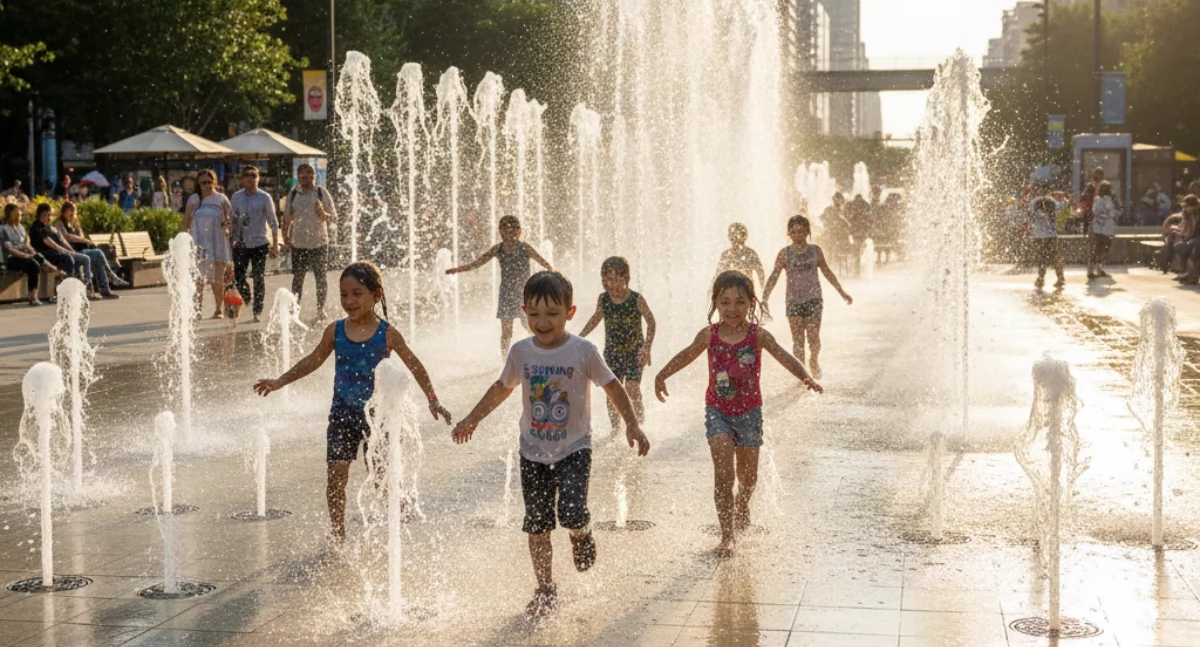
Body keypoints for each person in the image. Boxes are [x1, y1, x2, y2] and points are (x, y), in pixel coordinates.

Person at [451, 270, 650, 619]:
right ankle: (545, 588)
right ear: (525, 311)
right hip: (532, 452)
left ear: (570, 313)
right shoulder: (521, 352)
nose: (543, 322)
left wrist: (632, 424)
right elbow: (501, 388)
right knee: (538, 523)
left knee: (572, 512)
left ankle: (581, 534)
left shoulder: (583, 350)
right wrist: (472, 418)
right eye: (535, 314)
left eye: (552, 314)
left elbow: (613, 386)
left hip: (575, 448)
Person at [255, 261, 452, 543]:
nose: (349, 301)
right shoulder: (334, 331)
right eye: (344, 294)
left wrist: (433, 400)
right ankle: (338, 534)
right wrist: (279, 381)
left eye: (357, 293)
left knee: (379, 474)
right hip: (342, 414)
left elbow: (415, 366)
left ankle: (399, 508)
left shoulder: (387, 334)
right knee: (336, 476)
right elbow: (312, 360)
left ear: (376, 294)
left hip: (376, 416)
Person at [654, 270, 822, 557]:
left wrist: (805, 376)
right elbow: (687, 353)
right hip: (718, 411)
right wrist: (662, 374)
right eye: (725, 302)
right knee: (723, 474)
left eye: (740, 302)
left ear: (751, 304)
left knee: (748, 477)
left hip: (749, 413)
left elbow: (784, 355)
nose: (732, 309)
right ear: (716, 304)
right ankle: (726, 535)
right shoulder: (710, 335)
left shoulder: (758, 336)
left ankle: (743, 502)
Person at [445, 215, 552, 357]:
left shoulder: (525, 248)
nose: (508, 234)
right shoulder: (498, 249)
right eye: (505, 230)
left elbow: (543, 262)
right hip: (507, 293)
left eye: (512, 230)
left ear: (518, 231)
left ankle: (546, 350)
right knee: (506, 331)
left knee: (529, 325)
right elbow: (478, 263)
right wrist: (457, 269)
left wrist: (552, 275)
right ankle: (505, 360)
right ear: (500, 231)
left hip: (524, 293)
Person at [761, 215, 852, 380]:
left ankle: (814, 360)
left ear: (807, 232)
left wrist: (842, 292)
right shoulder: (784, 254)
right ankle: (802, 373)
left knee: (813, 335)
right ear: (789, 233)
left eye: (801, 231)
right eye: (794, 231)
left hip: (814, 299)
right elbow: (774, 276)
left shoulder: (815, 251)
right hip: (793, 301)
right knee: (798, 341)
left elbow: (827, 272)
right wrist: (765, 298)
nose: (798, 234)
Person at [578, 256, 657, 434]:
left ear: (625, 278)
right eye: (604, 279)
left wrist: (647, 347)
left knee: (632, 388)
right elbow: (595, 319)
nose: (608, 284)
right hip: (612, 354)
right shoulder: (604, 299)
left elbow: (651, 322)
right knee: (612, 393)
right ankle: (615, 430)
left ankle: (640, 425)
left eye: (613, 279)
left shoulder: (636, 299)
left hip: (634, 353)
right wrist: (579, 337)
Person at [283, 163, 337, 320]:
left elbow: (334, 216)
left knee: (321, 277)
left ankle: (320, 309)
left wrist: (324, 214)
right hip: (298, 243)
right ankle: (295, 309)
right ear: (298, 177)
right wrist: (285, 236)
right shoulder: (293, 194)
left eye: (309, 175)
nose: (306, 178)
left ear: (314, 176)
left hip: (319, 242)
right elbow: (287, 217)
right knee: (298, 278)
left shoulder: (321, 192)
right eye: (303, 176)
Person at [230, 166, 280, 322]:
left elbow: (273, 221)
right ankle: (247, 296)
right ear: (242, 178)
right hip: (241, 243)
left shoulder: (264, 197)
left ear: (258, 178)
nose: (250, 178)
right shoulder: (236, 197)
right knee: (239, 276)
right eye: (247, 175)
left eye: (253, 175)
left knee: (258, 277)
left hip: (259, 243)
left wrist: (275, 243)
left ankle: (257, 310)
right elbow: (232, 219)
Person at [183, 169, 234, 318]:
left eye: (209, 182)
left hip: (217, 241)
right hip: (198, 242)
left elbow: (231, 218)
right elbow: (186, 220)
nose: (206, 185)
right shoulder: (193, 199)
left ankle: (218, 309)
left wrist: (227, 227)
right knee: (198, 278)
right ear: (198, 184)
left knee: (217, 280)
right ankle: (197, 310)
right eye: (203, 183)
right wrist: (182, 238)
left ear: (214, 182)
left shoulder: (221, 199)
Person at [53, 202, 126, 297]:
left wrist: (79, 233)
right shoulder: (59, 223)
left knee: (98, 257)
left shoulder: (74, 224)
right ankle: (108, 281)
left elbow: (81, 237)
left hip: (80, 250)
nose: (72, 215)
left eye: (74, 213)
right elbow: (67, 237)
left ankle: (106, 287)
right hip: (72, 252)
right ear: (63, 212)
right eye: (70, 213)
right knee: (98, 254)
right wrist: (85, 240)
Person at [1, 203, 65, 306]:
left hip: (23, 255)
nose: (20, 216)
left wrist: (32, 252)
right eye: (18, 214)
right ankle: (33, 296)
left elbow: (27, 244)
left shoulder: (20, 227)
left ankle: (54, 271)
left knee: (37, 256)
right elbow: (10, 249)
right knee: (33, 264)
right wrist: (25, 255)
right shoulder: (3, 229)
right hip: (10, 259)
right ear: (11, 215)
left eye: (20, 214)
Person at [30, 203, 96, 300]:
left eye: (49, 215)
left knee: (83, 259)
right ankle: (70, 290)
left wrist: (71, 250)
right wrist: (65, 251)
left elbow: (62, 240)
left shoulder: (49, 227)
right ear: (40, 215)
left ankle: (84, 289)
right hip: (46, 254)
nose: (48, 218)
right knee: (69, 259)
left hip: (57, 253)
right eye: (45, 215)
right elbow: (49, 242)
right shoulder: (37, 227)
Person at [1028, 196, 1065, 290]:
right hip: (1051, 236)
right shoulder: (1053, 201)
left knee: (1041, 258)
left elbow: (1029, 216)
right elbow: (1062, 207)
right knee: (1054, 256)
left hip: (1039, 236)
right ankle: (1060, 278)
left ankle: (1041, 278)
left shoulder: (1034, 201)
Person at [713, 223, 766, 289]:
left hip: (741, 289)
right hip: (737, 289)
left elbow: (760, 272)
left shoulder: (749, 253)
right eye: (733, 236)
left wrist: (762, 288)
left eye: (738, 236)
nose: (736, 239)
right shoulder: (727, 254)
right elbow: (718, 273)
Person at [1088, 181, 1118, 280]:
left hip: (1107, 227)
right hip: (1098, 227)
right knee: (1096, 249)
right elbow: (1095, 211)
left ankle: (1100, 269)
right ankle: (1090, 270)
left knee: (1104, 249)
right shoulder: (1097, 199)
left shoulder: (1110, 199)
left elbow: (1114, 212)